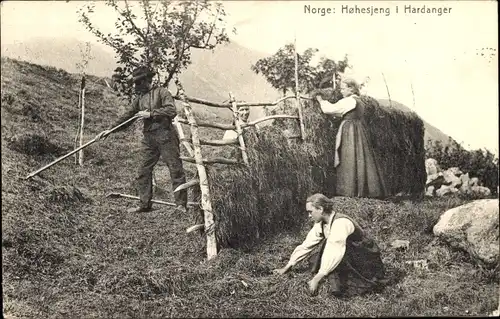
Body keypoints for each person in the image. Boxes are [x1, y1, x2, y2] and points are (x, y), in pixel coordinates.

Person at [96, 65, 188, 214]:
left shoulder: (162, 92)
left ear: (147, 80)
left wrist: (151, 114)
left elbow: (171, 110)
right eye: (135, 83)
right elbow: (128, 116)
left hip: (166, 137)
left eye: (139, 82)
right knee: (143, 170)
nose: (136, 86)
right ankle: (144, 205)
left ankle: (181, 205)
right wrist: (110, 130)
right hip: (149, 139)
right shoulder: (139, 99)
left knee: (175, 169)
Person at [273, 193, 386, 297]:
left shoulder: (341, 223)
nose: (309, 216)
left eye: (310, 212)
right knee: (323, 251)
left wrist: (316, 279)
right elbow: (307, 245)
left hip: (364, 257)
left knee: (329, 251)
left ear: (320, 209)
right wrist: (288, 266)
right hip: (345, 252)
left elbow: (335, 250)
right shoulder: (321, 223)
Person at [312, 79, 388, 198]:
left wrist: (321, 100)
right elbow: (342, 113)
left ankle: (350, 191)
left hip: (350, 131)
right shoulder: (359, 102)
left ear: (351, 89)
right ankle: (362, 190)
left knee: (348, 157)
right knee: (361, 157)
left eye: (343, 88)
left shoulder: (348, 101)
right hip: (360, 130)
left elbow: (329, 109)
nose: (341, 91)